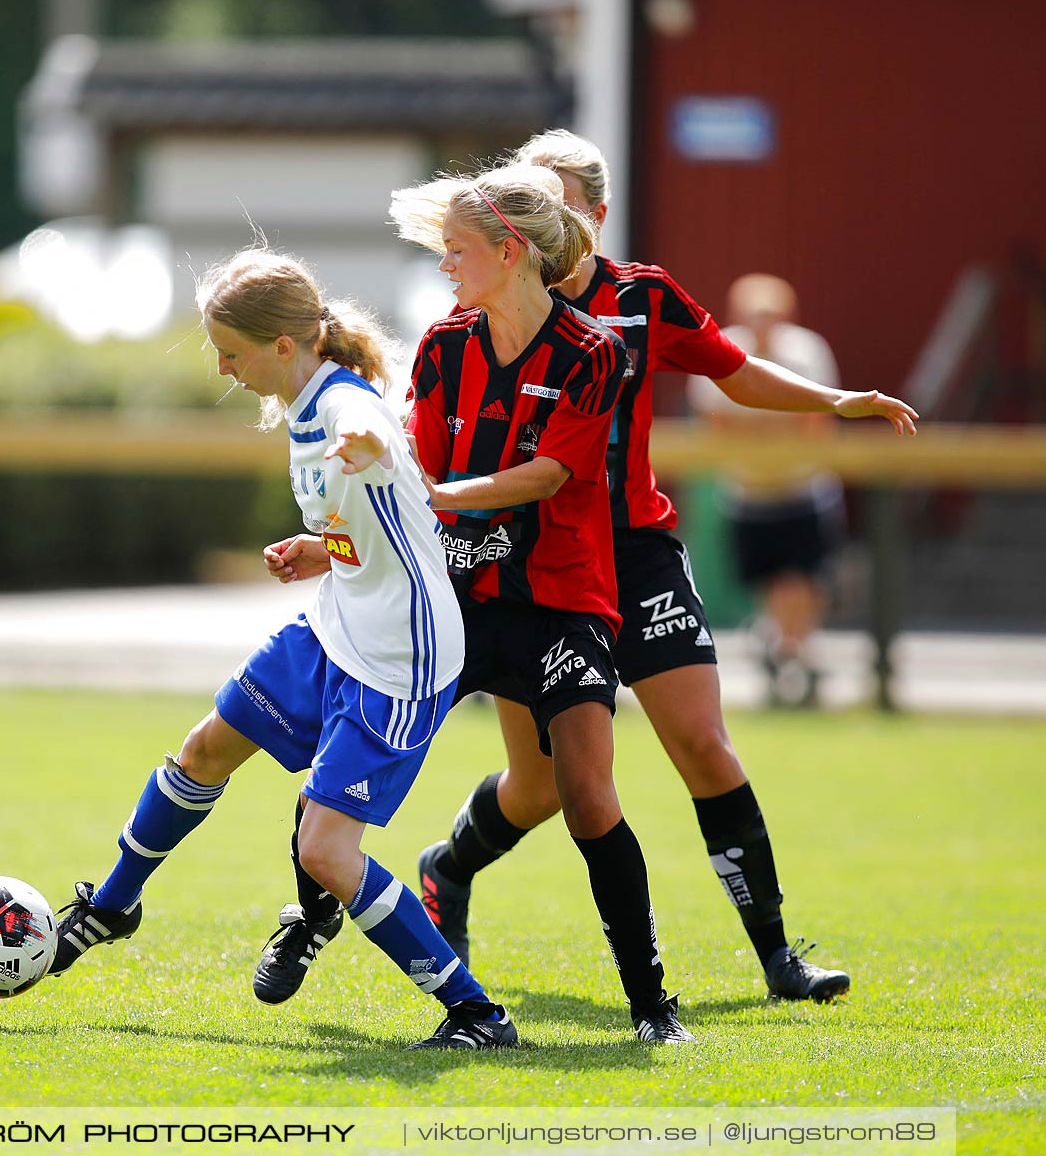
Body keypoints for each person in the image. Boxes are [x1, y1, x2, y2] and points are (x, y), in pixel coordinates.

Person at [281, 132, 917, 1012]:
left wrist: (838, 400)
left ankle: (778, 955)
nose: (537, 217)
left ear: (591, 214)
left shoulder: (636, 301)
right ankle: (432, 871)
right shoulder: (463, 332)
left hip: (629, 550)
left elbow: (733, 373)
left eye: (554, 200)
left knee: (701, 743)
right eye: (520, 199)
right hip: (513, 557)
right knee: (539, 786)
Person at [267, 162, 700, 1042]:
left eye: (456, 251)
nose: (444, 267)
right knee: (339, 737)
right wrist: (332, 541)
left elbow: (548, 475)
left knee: (585, 793)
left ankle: (653, 1005)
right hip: (453, 595)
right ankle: (309, 917)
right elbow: (404, 467)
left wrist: (440, 496)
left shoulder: (594, 351)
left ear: (510, 252)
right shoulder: (444, 346)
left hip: (564, 600)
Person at [44, 249, 515, 1049]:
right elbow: (377, 525)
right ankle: (113, 905)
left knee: (327, 853)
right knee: (204, 749)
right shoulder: (301, 399)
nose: (223, 366)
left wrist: (361, 445)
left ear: (285, 345)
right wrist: (320, 546)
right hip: (337, 625)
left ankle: (476, 1014)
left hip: (398, 660)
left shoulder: (342, 403)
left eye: (231, 350)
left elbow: (366, 432)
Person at [687, 273, 846, 708]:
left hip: (802, 486)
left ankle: (791, 647)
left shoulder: (807, 352)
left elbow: (817, 420)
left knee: (801, 576)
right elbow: (714, 422)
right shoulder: (718, 349)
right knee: (768, 576)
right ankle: (787, 646)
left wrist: (758, 429)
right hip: (748, 491)